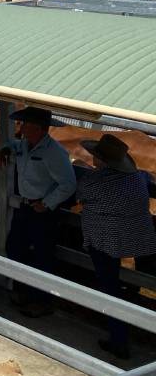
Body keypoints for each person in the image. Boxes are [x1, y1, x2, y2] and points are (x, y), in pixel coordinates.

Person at [76, 134, 156, 359]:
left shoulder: (94, 181)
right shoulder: (139, 178)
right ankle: (138, 317)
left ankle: (118, 338)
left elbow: (80, 196)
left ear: (100, 159)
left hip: (105, 241)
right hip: (139, 237)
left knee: (110, 288)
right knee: (137, 282)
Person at [0, 106, 77, 318]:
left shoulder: (55, 153)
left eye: (25, 124)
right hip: (25, 206)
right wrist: (4, 148)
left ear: (39, 128)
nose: (21, 128)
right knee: (15, 248)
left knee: (42, 256)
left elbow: (68, 184)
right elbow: (12, 145)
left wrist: (47, 203)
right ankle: (23, 291)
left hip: (43, 211)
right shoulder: (24, 145)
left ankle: (41, 301)